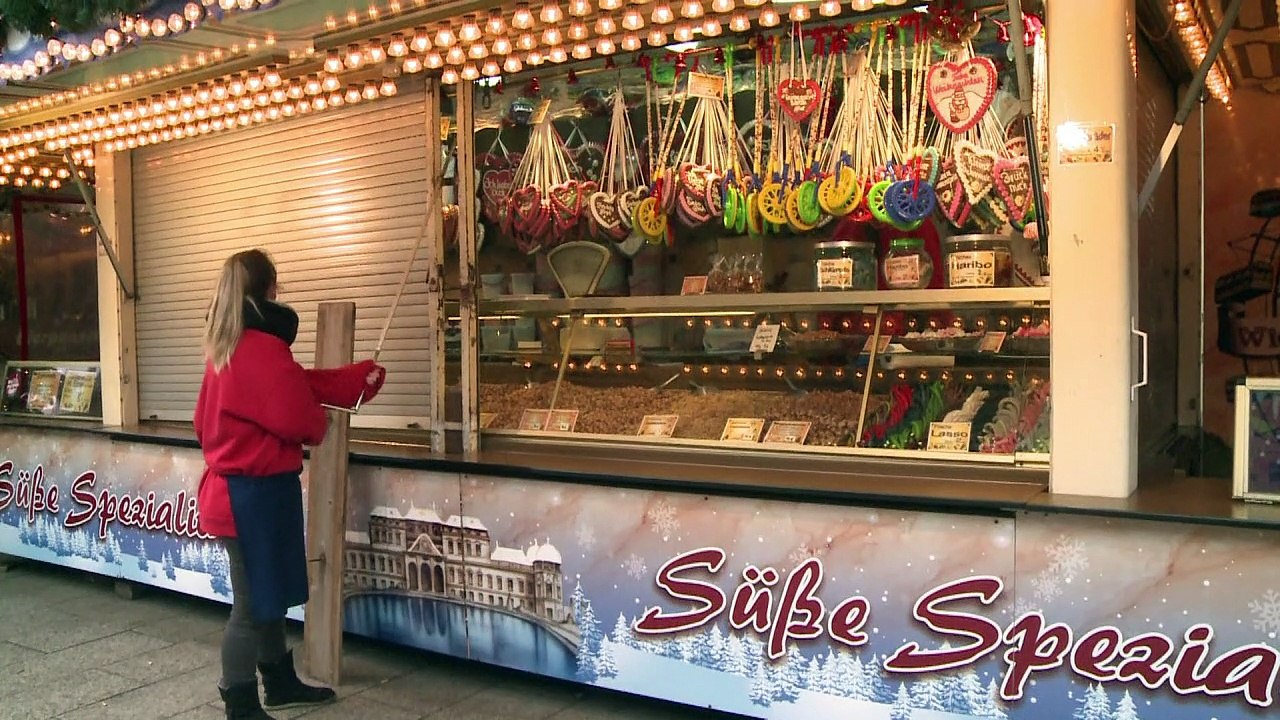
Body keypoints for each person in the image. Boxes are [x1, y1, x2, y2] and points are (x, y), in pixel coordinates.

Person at [194, 249, 386, 720]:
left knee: (269, 594)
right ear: (271, 290)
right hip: (251, 499)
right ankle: (239, 699)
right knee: (252, 606)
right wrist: (321, 415)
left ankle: (278, 682)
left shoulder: (227, 344)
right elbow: (300, 416)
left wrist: (347, 382)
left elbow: (286, 387)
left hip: (237, 493)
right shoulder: (263, 347)